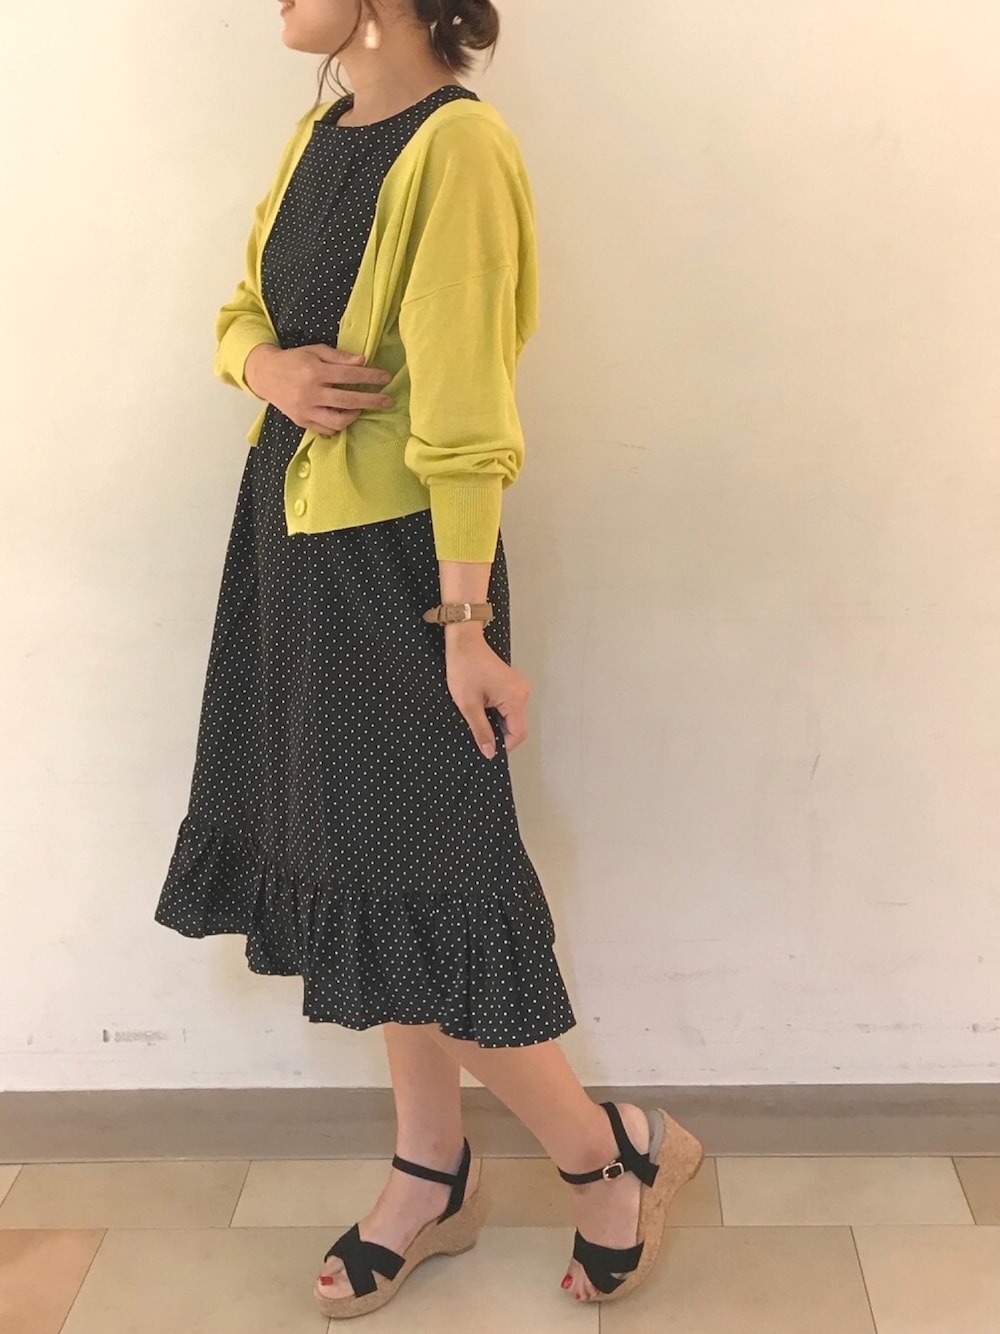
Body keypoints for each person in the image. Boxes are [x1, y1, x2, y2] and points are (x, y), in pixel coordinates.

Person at [155, 0, 703, 1318]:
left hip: (405, 574)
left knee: (426, 886)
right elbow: (238, 312)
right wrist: (266, 368)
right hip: (292, 551)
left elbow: (467, 405)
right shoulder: (323, 133)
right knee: (367, 878)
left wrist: (465, 629)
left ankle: (608, 1151)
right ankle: (432, 1167)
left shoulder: (458, 148)